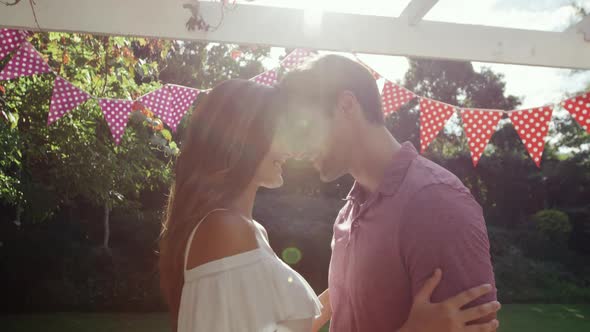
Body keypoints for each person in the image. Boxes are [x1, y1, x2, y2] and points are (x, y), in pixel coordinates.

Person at [158, 79, 500, 332]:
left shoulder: (245, 230)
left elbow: (281, 324)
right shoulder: (226, 231)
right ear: (241, 138)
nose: (293, 147)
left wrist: (349, 285)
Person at [278, 54, 499, 332]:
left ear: (347, 105)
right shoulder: (347, 214)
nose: (297, 150)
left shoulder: (436, 203)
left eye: (304, 128)